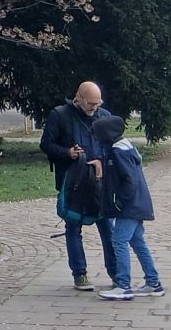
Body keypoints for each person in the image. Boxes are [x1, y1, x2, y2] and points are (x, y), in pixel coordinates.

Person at [40, 79, 117, 290]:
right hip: (72, 181)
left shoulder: (105, 116)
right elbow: (46, 144)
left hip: (99, 183)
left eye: (98, 103)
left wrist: (104, 163)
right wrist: (68, 153)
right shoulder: (60, 115)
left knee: (107, 229)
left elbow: (113, 147)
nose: (95, 108)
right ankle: (80, 274)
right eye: (91, 103)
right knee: (73, 227)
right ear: (79, 98)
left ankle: (116, 272)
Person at [92, 115, 165, 300]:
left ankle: (123, 285)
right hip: (138, 203)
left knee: (119, 240)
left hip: (130, 206)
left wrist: (120, 201)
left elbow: (129, 180)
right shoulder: (126, 147)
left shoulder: (118, 152)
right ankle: (153, 282)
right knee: (137, 241)